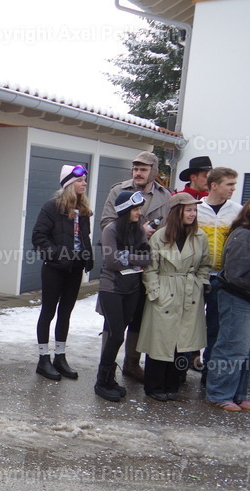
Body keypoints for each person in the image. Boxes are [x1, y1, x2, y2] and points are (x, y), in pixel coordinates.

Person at [100, 150, 172, 381]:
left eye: (143, 169)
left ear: (154, 171)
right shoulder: (118, 190)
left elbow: (169, 229)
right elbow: (107, 222)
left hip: (148, 268)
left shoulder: (165, 196)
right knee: (113, 322)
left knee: (139, 317)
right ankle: (107, 367)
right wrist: (139, 230)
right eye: (135, 168)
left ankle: (132, 363)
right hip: (119, 267)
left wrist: (154, 233)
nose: (138, 173)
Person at [136, 192, 211, 401]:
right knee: (159, 342)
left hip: (189, 292)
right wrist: (155, 292)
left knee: (182, 343)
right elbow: (150, 268)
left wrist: (200, 284)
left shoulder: (200, 236)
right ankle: (154, 386)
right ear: (177, 211)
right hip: (164, 290)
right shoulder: (160, 236)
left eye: (195, 210)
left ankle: (173, 384)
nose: (193, 214)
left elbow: (205, 264)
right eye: (189, 210)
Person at [204, 195, 250, 411]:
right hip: (239, 299)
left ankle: (239, 394)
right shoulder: (242, 236)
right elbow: (237, 275)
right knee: (234, 348)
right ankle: (219, 394)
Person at [32, 164, 94, 381]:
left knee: (65, 312)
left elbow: (83, 238)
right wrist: (59, 255)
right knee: (48, 312)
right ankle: (43, 359)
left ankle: (60, 356)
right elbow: (39, 237)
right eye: (80, 180)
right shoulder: (52, 207)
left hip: (75, 269)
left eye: (85, 180)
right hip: (55, 269)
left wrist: (87, 256)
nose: (84, 183)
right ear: (69, 184)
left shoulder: (83, 210)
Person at [94, 190, 151, 402]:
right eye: (136, 209)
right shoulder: (111, 229)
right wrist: (134, 259)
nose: (139, 212)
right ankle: (102, 380)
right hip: (112, 289)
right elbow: (112, 261)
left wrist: (129, 257)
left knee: (121, 333)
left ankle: (110, 379)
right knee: (116, 335)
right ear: (126, 210)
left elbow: (149, 257)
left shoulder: (138, 229)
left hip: (132, 288)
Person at [197, 167, 243, 375]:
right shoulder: (195, 209)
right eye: (229, 184)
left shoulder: (237, 211)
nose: (234, 188)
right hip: (195, 276)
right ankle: (182, 367)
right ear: (214, 185)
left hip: (223, 278)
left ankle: (209, 371)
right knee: (191, 324)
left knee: (215, 326)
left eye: (234, 184)